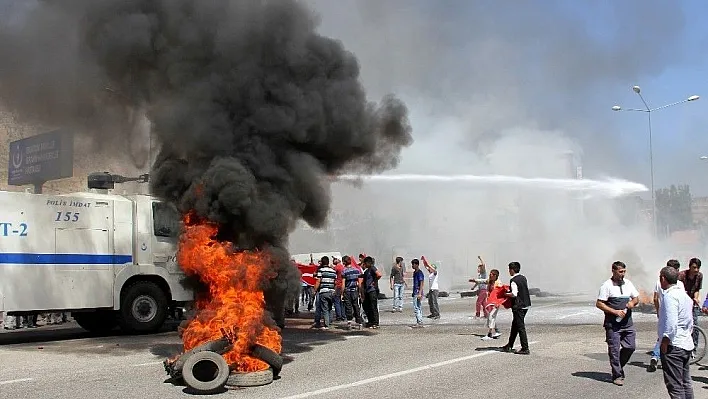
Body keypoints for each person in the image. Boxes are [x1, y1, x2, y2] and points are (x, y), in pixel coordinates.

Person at [596, 261, 639, 386]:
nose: (623, 274)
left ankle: (618, 367)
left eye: (624, 271)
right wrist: (614, 311)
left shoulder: (628, 284)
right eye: (620, 272)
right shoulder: (606, 286)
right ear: (613, 271)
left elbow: (636, 298)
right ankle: (617, 375)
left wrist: (632, 303)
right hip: (613, 325)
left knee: (630, 347)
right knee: (614, 350)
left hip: (627, 324)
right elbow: (599, 303)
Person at [658, 265, 695, 398]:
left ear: (663, 278)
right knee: (685, 382)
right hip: (685, 343)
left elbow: (671, 323)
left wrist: (665, 341)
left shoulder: (670, 296)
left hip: (674, 346)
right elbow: (690, 322)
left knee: (675, 386)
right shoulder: (684, 295)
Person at [649, 259, 685, 372]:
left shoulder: (658, 282)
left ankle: (655, 356)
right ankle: (666, 359)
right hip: (674, 314)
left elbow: (655, 298)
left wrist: (659, 311)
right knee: (668, 336)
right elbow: (683, 300)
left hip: (663, 313)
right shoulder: (679, 284)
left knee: (662, 335)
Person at [501, 261, 531, 355]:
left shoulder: (513, 280)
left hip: (518, 306)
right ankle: (510, 345)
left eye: (509, 269)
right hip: (525, 304)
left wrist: (505, 294)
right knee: (515, 326)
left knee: (520, 327)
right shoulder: (523, 278)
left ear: (512, 270)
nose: (509, 271)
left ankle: (525, 348)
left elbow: (514, 294)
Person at [678, 257, 702, 355]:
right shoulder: (681, 275)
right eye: (694, 267)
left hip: (692, 303)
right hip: (682, 304)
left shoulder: (699, 276)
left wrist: (696, 298)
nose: (696, 270)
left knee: (695, 326)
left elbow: (697, 289)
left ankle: (693, 349)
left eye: (698, 268)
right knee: (682, 325)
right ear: (690, 267)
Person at [481, 269, 509, 340]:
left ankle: (489, 334)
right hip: (490, 301)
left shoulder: (498, 283)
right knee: (491, 317)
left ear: (495, 275)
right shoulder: (490, 281)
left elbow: (501, 293)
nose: (490, 275)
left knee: (491, 316)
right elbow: (483, 281)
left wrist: (498, 302)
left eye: (492, 274)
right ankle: (497, 331)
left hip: (496, 302)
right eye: (490, 274)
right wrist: (474, 280)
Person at [313, 256, 337, 330]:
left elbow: (318, 281)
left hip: (323, 291)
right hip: (332, 291)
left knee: (324, 308)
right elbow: (335, 282)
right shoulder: (333, 271)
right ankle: (329, 322)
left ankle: (326, 325)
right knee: (330, 307)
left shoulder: (321, 270)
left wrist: (314, 290)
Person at [341, 255, 364, 329]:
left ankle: (349, 323)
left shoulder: (344, 271)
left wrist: (342, 293)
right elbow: (359, 283)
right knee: (356, 306)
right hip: (355, 291)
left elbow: (343, 284)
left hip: (347, 291)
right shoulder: (356, 270)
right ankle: (359, 322)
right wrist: (360, 292)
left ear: (344, 262)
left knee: (348, 307)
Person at [361, 256, 381, 329]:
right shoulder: (367, 271)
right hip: (367, 291)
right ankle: (370, 321)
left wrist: (374, 281)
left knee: (373, 307)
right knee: (366, 306)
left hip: (372, 290)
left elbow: (379, 274)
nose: (364, 264)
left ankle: (375, 323)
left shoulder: (372, 268)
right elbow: (363, 280)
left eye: (365, 263)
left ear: (368, 262)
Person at [410, 258, 425, 328]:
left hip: (417, 292)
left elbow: (421, 283)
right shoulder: (415, 272)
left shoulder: (419, 273)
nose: (412, 266)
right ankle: (420, 321)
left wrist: (420, 293)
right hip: (415, 292)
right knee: (418, 307)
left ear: (416, 264)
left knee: (416, 307)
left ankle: (419, 322)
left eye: (413, 264)